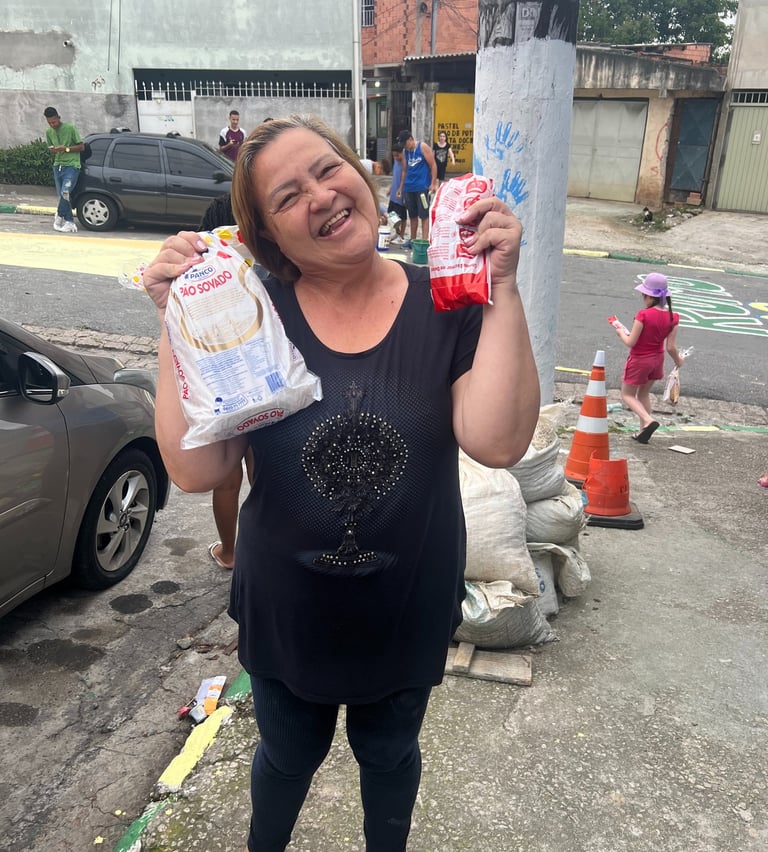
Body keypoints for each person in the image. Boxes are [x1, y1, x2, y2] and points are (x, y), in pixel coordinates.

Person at [143, 114, 539, 851]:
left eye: (328, 169)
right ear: (267, 237)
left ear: (360, 173)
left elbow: (498, 441)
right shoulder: (252, 309)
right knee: (287, 755)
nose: (321, 195)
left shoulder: (446, 299)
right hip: (288, 611)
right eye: (288, 196)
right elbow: (200, 470)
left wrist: (506, 287)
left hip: (408, 604)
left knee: (389, 754)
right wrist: (178, 319)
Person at [198, 193, 256, 569]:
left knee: (227, 479)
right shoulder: (263, 271)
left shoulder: (200, 277)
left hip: (220, 389)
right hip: (266, 384)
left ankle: (230, 552)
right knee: (263, 471)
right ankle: (267, 547)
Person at [612, 272, 683, 443]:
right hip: (657, 360)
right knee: (643, 394)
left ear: (649, 296)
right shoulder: (673, 317)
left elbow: (631, 342)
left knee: (627, 394)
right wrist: (679, 360)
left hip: (639, 360)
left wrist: (620, 332)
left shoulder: (643, 315)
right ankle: (643, 431)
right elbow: (670, 347)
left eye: (643, 295)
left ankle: (648, 420)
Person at [43, 106, 84, 234]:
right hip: (58, 165)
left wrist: (66, 149)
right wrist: (54, 150)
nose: (52, 125)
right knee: (62, 196)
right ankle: (69, 221)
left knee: (65, 192)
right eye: (50, 123)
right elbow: (50, 149)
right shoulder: (49, 132)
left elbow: (81, 147)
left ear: (59, 118)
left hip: (72, 165)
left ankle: (61, 216)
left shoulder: (70, 128)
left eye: (54, 122)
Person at [396, 129, 437, 248]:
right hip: (409, 188)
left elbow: (433, 165)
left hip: (422, 187)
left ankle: (424, 241)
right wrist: (401, 187)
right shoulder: (405, 152)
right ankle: (413, 240)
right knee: (412, 215)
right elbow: (404, 170)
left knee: (424, 215)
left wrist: (433, 183)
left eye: (405, 143)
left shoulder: (422, 147)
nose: (404, 146)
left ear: (410, 139)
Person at [387, 142, 407, 244]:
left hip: (401, 191)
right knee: (391, 213)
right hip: (394, 191)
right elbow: (395, 176)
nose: (396, 157)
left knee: (402, 214)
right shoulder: (396, 161)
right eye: (394, 156)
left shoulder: (405, 162)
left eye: (397, 155)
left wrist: (400, 188)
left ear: (402, 153)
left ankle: (402, 236)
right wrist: (391, 188)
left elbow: (403, 177)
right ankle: (397, 232)